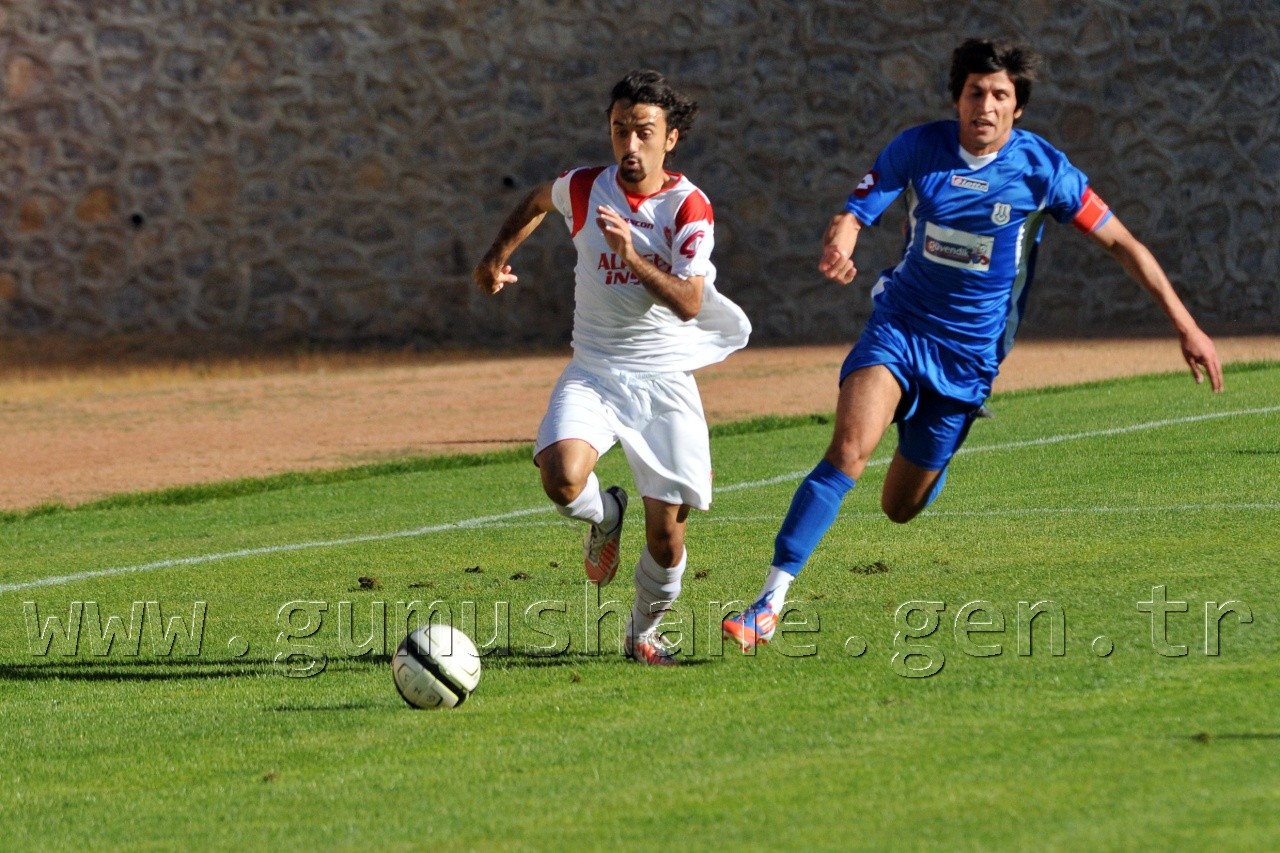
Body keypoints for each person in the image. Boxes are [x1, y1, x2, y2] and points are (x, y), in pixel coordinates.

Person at [722, 38, 1223, 651]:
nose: (985, 105)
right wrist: (842, 241)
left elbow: (1123, 244)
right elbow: (855, 212)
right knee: (849, 448)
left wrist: (1185, 324)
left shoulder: (1044, 170)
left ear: (1018, 107)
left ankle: (944, 441)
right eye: (975, 92)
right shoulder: (919, 147)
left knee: (899, 508)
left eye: (1000, 95)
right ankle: (769, 601)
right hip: (900, 328)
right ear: (958, 98)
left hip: (968, 360)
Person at [473, 70, 751, 665]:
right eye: (620, 129)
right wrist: (497, 255)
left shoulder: (687, 206)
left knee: (668, 535)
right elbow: (535, 201)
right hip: (595, 370)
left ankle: (643, 634)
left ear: (670, 138)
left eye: (643, 132)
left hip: (664, 380)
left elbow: (690, 302)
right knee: (562, 479)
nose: (629, 144)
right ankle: (607, 513)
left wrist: (632, 255)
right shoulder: (582, 188)